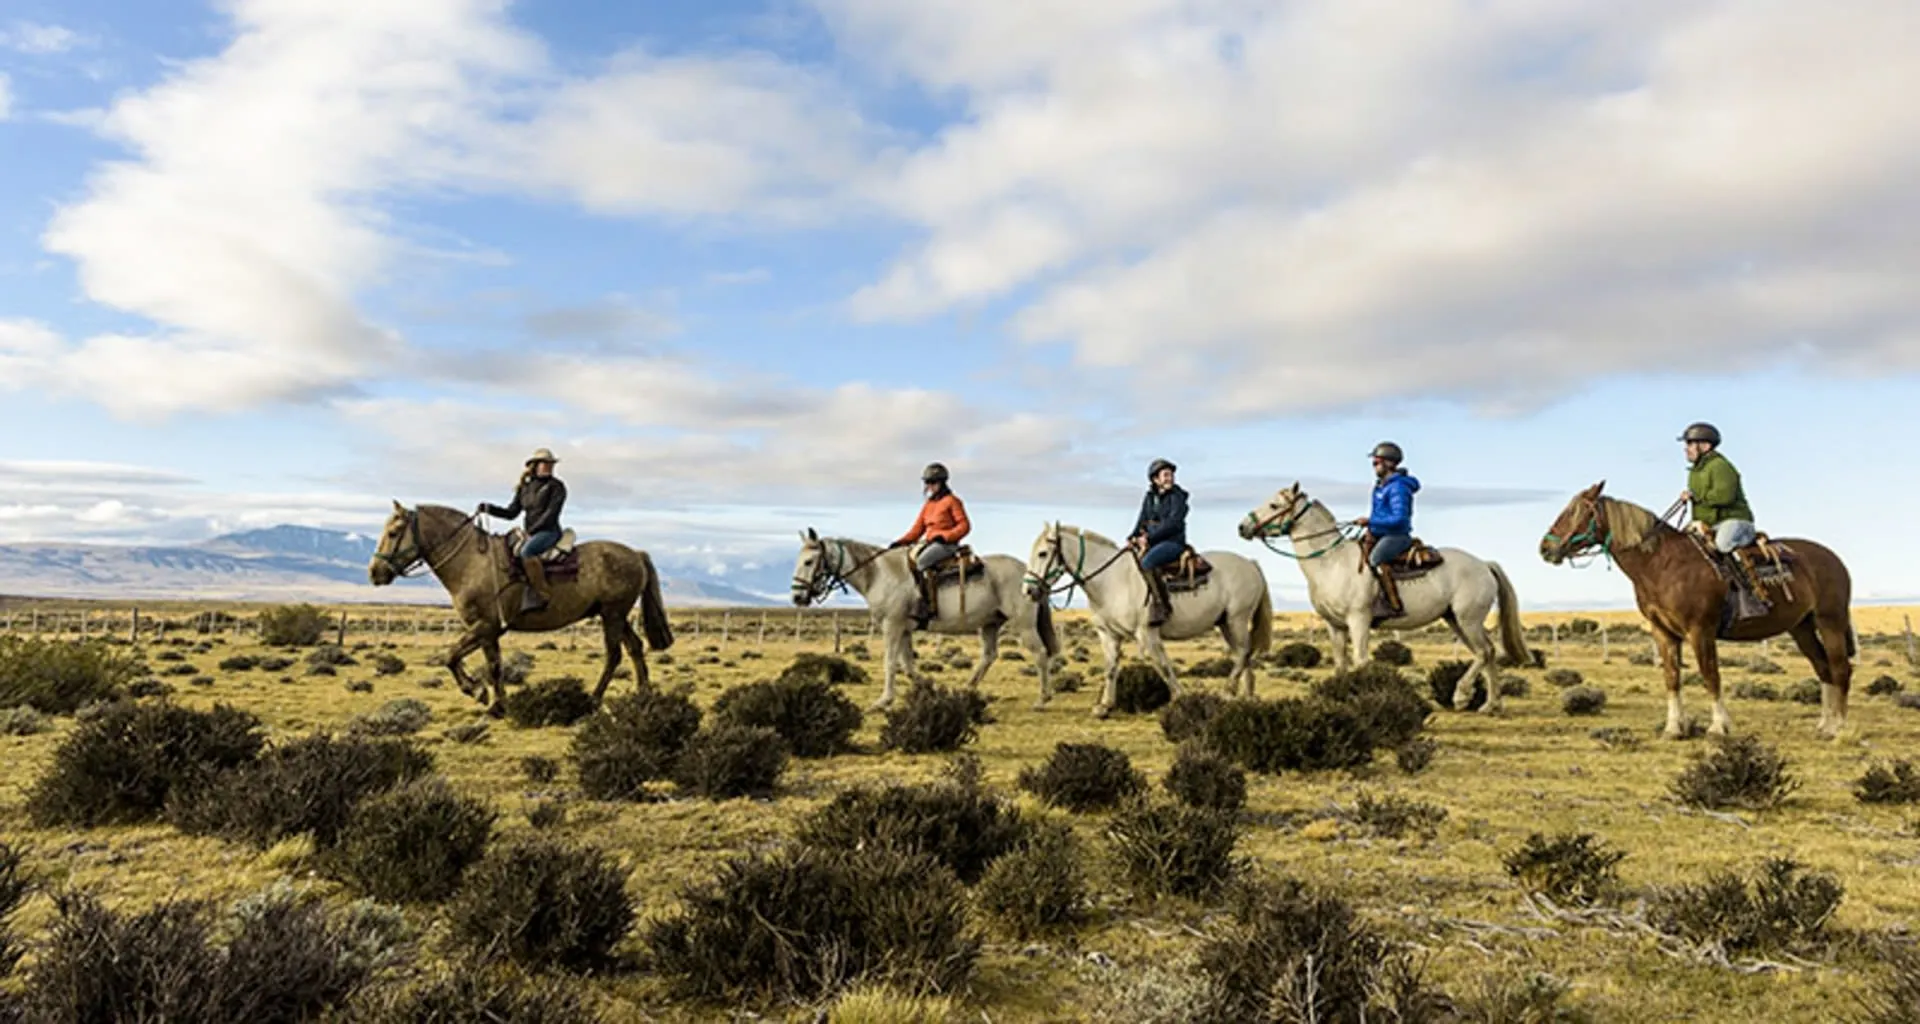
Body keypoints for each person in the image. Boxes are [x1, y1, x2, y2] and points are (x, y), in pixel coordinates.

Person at [479, 448, 567, 612]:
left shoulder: (557, 487)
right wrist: (490, 509)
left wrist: (531, 531)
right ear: (535, 466)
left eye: (550, 464)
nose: (548, 467)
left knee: (527, 552)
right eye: (545, 464)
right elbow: (512, 512)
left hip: (549, 532)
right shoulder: (524, 488)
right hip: (531, 533)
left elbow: (551, 514)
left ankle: (541, 594)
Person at [890, 462, 971, 627]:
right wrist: (901, 542)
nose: (930, 486)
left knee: (922, 562)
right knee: (907, 562)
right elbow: (917, 530)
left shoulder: (953, 501)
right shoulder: (928, 505)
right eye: (927, 483)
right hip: (929, 543)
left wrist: (946, 536)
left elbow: (965, 526)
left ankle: (927, 606)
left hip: (947, 545)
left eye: (933, 483)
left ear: (942, 483)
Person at [1354, 442, 1419, 617]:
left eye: (1376, 462)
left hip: (1396, 535)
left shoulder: (1398, 487)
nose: (1374, 466)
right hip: (1379, 533)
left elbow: (1400, 518)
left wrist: (1370, 521)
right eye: (1373, 463)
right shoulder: (1380, 486)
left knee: (1375, 558)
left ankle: (1390, 603)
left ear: (1389, 463)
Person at [1129, 458, 1188, 627]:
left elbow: (1174, 523)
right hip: (1154, 542)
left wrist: (1148, 537)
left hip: (1173, 542)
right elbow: (1142, 519)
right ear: (1156, 479)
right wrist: (1132, 536)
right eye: (1166, 475)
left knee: (1148, 562)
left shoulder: (1178, 497)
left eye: (1170, 475)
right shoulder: (1150, 498)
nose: (1170, 478)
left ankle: (1162, 606)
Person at [1678, 423, 1755, 553]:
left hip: (1734, 521)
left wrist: (1695, 496)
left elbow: (1724, 497)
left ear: (1705, 446)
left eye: (1690, 444)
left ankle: (1744, 571)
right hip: (1710, 524)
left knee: (1723, 545)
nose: (1686, 449)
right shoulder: (1695, 472)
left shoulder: (1720, 466)